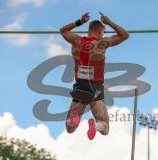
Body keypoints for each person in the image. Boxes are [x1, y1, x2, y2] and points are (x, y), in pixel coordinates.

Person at [60, 12, 129, 140]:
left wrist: (79, 22)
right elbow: (125, 35)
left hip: (80, 86)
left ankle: (73, 121)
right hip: (96, 87)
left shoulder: (76, 41)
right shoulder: (102, 43)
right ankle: (96, 125)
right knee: (105, 128)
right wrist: (109, 22)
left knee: (70, 129)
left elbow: (63, 30)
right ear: (99, 31)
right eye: (103, 32)